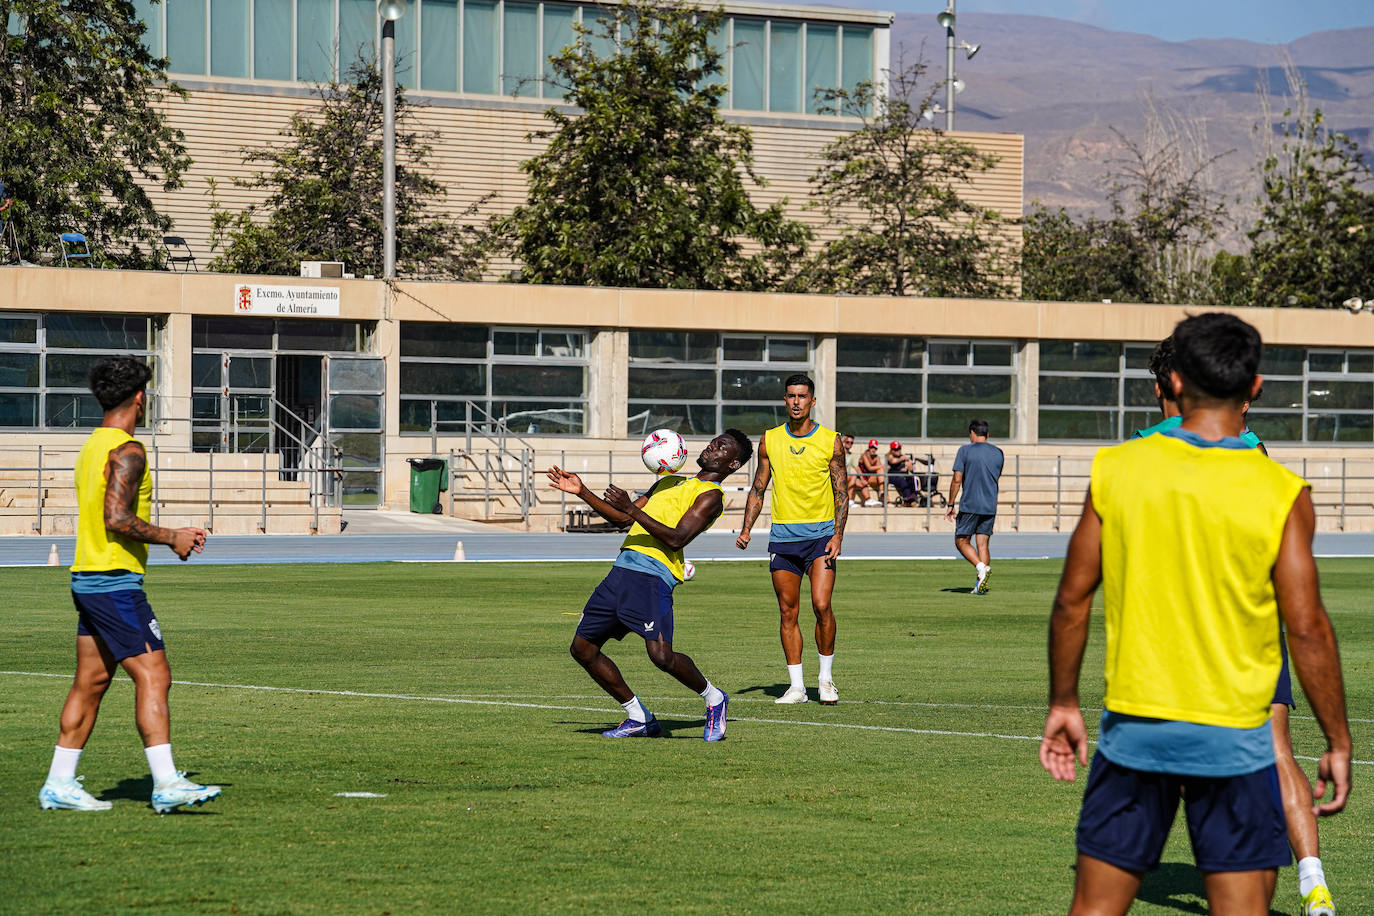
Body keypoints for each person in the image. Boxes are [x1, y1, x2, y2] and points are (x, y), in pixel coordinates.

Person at [1040, 313, 1352, 916]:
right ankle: (1314, 883)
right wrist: (1338, 740)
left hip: (1137, 731)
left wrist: (1063, 702)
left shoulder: (1117, 468)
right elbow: (1307, 626)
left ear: (1174, 381)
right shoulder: (1282, 491)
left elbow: (1072, 600)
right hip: (1237, 739)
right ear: (1255, 386)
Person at [1136, 340, 1335, 915]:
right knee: (1278, 751)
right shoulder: (1252, 447)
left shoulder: (1146, 451)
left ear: (1162, 387)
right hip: (1254, 620)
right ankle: (1314, 885)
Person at [39, 357, 220, 814]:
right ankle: (167, 782)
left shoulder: (92, 446)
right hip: (114, 582)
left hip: (87, 577)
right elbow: (117, 518)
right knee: (155, 675)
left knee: (92, 682)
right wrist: (173, 536)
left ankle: (59, 783)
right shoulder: (128, 450)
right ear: (140, 399)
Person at [548, 430, 752, 741]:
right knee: (583, 649)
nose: (712, 446)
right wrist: (582, 491)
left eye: (721, 446)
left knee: (661, 656)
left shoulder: (711, 496)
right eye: (714, 441)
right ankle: (638, 716)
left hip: (653, 579)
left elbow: (677, 538)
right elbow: (622, 519)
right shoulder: (668, 482)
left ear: (733, 463)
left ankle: (714, 698)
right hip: (621, 571)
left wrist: (632, 509)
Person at [736, 374, 846, 705]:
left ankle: (825, 680)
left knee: (822, 606)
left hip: (821, 537)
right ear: (784, 400)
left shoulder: (830, 440)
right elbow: (758, 487)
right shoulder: (769, 440)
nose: (796, 402)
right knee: (788, 612)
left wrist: (838, 535)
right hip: (784, 538)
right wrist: (746, 528)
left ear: (812, 401)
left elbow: (841, 491)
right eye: (791, 396)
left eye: (802, 396)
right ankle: (797, 687)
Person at [944, 419, 1004, 595]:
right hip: (990, 504)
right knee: (983, 544)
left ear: (971, 433)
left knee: (961, 541)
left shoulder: (965, 450)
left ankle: (981, 568)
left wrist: (950, 503)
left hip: (970, 503)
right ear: (987, 434)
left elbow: (957, 479)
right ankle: (980, 583)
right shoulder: (998, 453)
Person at [886, 441, 920, 506]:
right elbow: (893, 461)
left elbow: (912, 469)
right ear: (892, 450)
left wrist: (908, 467)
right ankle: (910, 500)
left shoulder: (902, 457)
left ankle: (909, 499)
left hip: (903, 475)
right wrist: (902, 459)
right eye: (896, 449)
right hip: (893, 476)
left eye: (899, 449)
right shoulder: (890, 456)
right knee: (903, 482)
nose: (898, 451)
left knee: (914, 481)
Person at [853, 439, 883, 506]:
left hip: (869, 477)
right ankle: (869, 499)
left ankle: (882, 491)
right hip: (862, 476)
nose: (873, 450)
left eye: (875, 448)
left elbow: (879, 469)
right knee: (881, 469)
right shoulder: (864, 455)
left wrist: (881, 467)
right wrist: (882, 466)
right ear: (869, 447)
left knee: (883, 475)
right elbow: (869, 468)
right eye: (871, 447)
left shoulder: (876, 457)